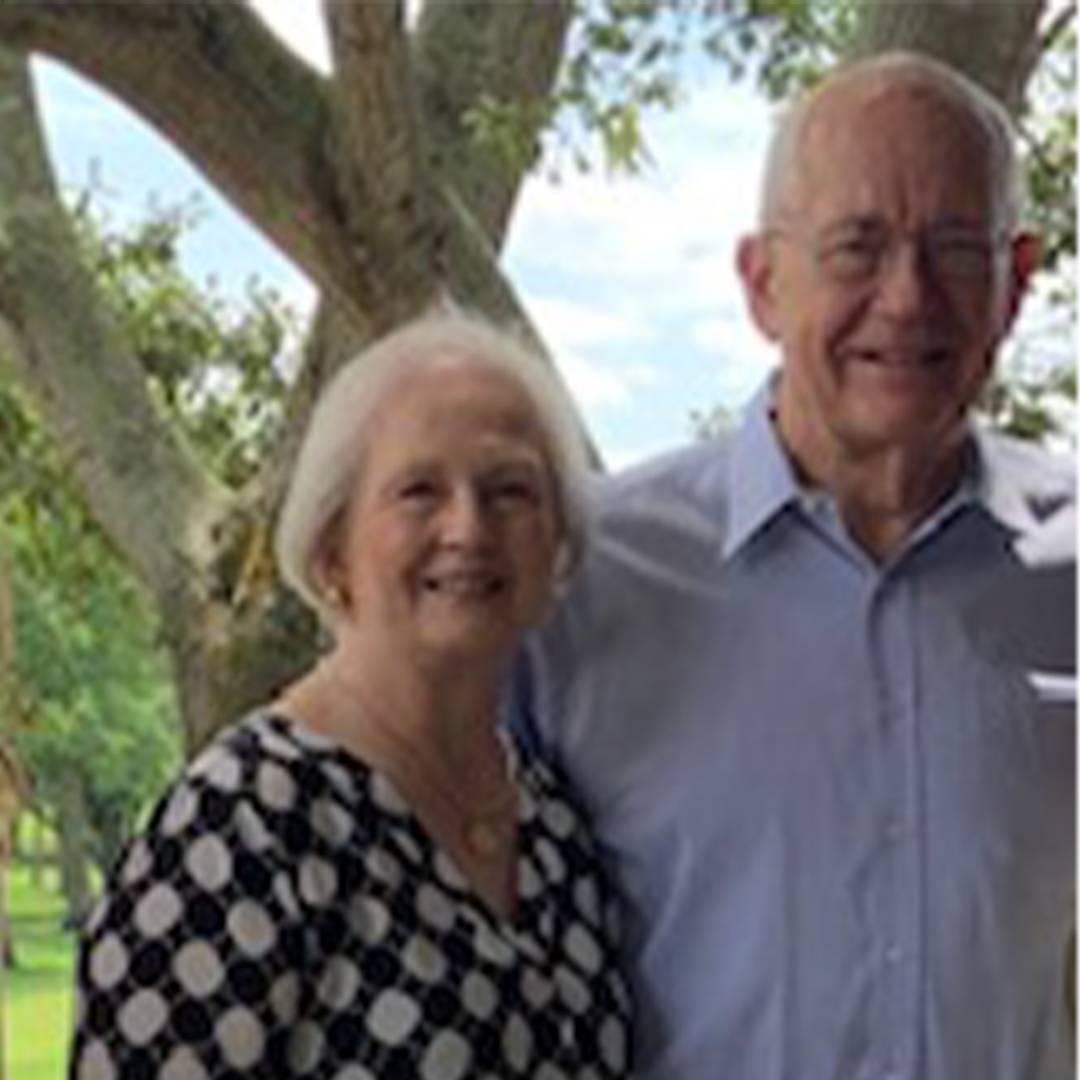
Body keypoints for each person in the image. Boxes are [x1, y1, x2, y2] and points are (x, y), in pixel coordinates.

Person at [519, 51, 1075, 1080]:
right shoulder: (577, 580)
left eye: (955, 249)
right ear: (763, 283)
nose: (906, 300)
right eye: (857, 247)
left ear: (1015, 285)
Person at [70, 312, 633, 1078]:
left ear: (557, 548)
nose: (468, 527)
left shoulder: (554, 827)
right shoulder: (240, 829)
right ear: (332, 550)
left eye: (509, 491)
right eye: (419, 490)